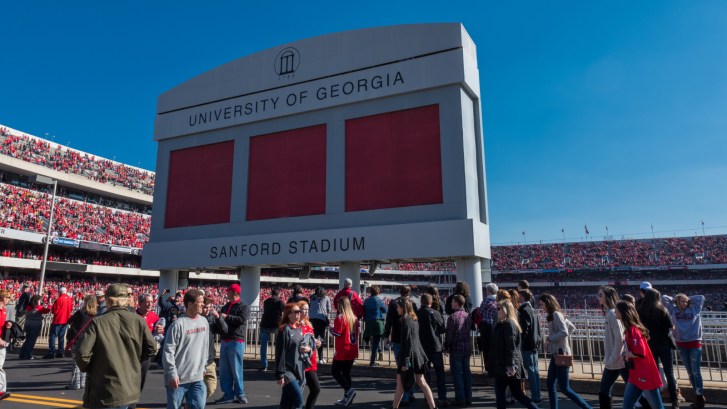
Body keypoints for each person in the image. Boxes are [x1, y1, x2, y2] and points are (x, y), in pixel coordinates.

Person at [75, 283, 157, 409]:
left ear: (108, 300)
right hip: (128, 387)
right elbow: (152, 348)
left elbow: (82, 354)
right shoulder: (138, 320)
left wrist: (92, 368)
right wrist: (134, 363)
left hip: (104, 388)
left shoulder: (98, 322)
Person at [539, 293, 592, 409]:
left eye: (542, 304)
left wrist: (550, 339)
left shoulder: (556, 315)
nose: (541, 307)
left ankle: (588, 407)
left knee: (564, 388)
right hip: (557, 354)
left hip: (561, 354)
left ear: (548, 303)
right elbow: (571, 328)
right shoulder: (556, 315)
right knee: (550, 383)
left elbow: (565, 332)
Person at [163, 289, 209, 409]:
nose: (203, 304)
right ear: (189, 304)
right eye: (200, 302)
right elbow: (168, 351)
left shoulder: (204, 322)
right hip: (179, 379)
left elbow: (205, 346)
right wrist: (172, 374)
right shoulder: (178, 324)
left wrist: (204, 365)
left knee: (199, 405)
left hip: (197, 377)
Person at [490, 300, 539, 409]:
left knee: (502, 395)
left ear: (505, 310)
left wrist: (510, 365)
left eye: (499, 309)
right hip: (506, 364)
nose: (497, 311)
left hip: (506, 365)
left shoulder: (508, 324)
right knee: (517, 394)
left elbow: (511, 345)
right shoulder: (505, 324)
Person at [616, 300, 665, 409]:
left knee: (657, 406)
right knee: (627, 406)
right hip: (635, 373)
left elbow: (640, 352)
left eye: (616, 310)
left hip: (645, 373)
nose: (615, 312)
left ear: (622, 313)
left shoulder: (634, 330)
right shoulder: (629, 330)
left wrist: (626, 354)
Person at [390, 298, 437, 409]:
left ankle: (394, 407)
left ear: (403, 307)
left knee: (400, 385)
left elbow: (407, 342)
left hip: (408, 357)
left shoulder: (405, 321)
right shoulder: (414, 319)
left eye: (398, 307)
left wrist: (406, 362)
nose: (397, 309)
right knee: (422, 382)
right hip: (418, 355)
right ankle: (433, 407)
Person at [637, 289, 679, 409]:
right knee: (669, 373)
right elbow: (671, 327)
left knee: (653, 374)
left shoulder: (640, 311)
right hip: (664, 344)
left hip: (650, 345)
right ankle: (674, 401)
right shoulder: (662, 310)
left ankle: (656, 400)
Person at [662, 292, 705, 408]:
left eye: (686, 301)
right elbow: (664, 298)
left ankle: (700, 396)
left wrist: (686, 298)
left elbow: (701, 297)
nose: (685, 303)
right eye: (682, 301)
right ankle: (697, 395)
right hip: (681, 344)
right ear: (677, 302)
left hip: (694, 343)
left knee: (696, 372)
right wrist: (676, 299)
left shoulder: (694, 309)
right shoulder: (673, 309)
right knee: (690, 372)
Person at [216, 283, 250, 405]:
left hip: (236, 340)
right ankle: (228, 394)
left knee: (236, 370)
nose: (227, 293)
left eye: (229, 291)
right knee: (224, 371)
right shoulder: (225, 306)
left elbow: (242, 320)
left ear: (235, 293)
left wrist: (226, 317)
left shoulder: (243, 306)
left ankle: (240, 394)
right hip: (226, 340)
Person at [384, 285, 418, 405]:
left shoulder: (394, 303)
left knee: (402, 367)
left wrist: (386, 335)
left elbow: (389, 321)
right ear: (409, 292)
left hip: (397, 338)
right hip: (410, 340)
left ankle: (406, 395)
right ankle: (410, 392)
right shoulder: (412, 303)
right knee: (408, 366)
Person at [597, 286, 626, 409]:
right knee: (604, 390)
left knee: (634, 390)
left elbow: (619, 338)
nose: (598, 298)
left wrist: (611, 359)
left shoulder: (612, 314)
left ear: (608, 297)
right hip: (617, 360)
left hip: (618, 360)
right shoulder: (611, 313)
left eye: (600, 295)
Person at [275, 302, 308, 409]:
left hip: (297, 368)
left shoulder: (298, 329)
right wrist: (280, 374)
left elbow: (303, 345)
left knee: (286, 400)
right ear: (289, 314)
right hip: (287, 371)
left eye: (299, 311)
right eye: (297, 312)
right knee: (298, 399)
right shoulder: (284, 330)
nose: (299, 314)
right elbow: (280, 352)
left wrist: (308, 348)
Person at [417, 293, 447, 407]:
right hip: (436, 347)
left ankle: (427, 397)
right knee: (440, 373)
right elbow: (442, 329)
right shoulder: (436, 313)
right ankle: (442, 397)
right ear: (431, 302)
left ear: (421, 301)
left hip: (422, 347)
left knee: (426, 374)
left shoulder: (417, 313)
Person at [135, 293, 164, 408]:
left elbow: (160, 332)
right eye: (147, 302)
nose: (150, 304)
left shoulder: (154, 316)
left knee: (141, 378)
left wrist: (161, 329)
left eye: (152, 302)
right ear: (140, 303)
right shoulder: (133, 315)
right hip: (133, 352)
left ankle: (134, 399)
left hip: (146, 353)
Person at [444, 295, 473, 406]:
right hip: (466, 347)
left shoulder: (453, 317)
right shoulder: (467, 315)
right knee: (466, 372)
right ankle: (468, 397)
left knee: (457, 374)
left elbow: (449, 335)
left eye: (452, 302)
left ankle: (460, 398)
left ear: (456, 303)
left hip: (456, 348)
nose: (451, 304)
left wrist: (446, 347)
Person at [330, 296, 359, 406]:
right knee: (346, 373)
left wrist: (330, 329)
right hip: (352, 348)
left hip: (343, 348)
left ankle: (348, 390)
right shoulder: (354, 317)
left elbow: (337, 333)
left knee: (335, 371)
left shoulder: (340, 317)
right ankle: (347, 398)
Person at [66, 295, 97, 390]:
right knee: (84, 362)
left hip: (78, 339)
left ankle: (75, 383)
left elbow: (69, 320)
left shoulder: (80, 313)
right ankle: (82, 382)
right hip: (88, 341)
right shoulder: (95, 315)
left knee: (76, 363)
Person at [518, 289, 541, 403]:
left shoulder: (523, 310)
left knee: (530, 370)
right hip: (535, 343)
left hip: (527, 345)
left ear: (522, 297)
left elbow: (524, 329)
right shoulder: (533, 310)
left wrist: (520, 343)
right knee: (535, 371)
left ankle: (535, 396)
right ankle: (537, 395)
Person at [203, 296, 228, 400]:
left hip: (209, 359)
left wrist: (218, 318)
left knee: (211, 386)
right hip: (196, 360)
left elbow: (224, 330)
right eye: (205, 307)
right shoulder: (192, 319)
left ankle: (194, 402)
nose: (207, 310)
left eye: (209, 307)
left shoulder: (211, 318)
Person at [299, 300, 323, 409]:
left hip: (311, 361)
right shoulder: (296, 325)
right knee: (298, 391)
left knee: (316, 389)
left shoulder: (309, 323)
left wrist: (316, 343)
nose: (307, 312)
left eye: (308, 309)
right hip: (301, 362)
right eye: (304, 309)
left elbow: (311, 339)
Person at [260, 288, 285, 371]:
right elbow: (285, 311)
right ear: (278, 294)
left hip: (265, 324)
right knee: (278, 345)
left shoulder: (266, 302)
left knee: (263, 346)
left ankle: (264, 365)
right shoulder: (280, 302)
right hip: (275, 325)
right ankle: (278, 365)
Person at [18, 294, 50, 360]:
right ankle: (27, 355)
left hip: (28, 324)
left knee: (27, 340)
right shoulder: (39, 307)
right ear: (37, 300)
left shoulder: (28, 307)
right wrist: (49, 305)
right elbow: (47, 310)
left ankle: (22, 354)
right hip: (35, 325)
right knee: (31, 341)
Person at [45, 286, 73, 359]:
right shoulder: (70, 300)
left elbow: (54, 311)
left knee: (53, 336)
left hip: (58, 320)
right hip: (66, 320)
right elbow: (71, 309)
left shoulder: (59, 299)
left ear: (60, 292)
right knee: (61, 337)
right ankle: (61, 352)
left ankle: (52, 352)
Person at [477, 282, 499, 374]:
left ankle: (488, 368)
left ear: (489, 291)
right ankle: (496, 366)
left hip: (486, 326)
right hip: (496, 326)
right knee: (495, 347)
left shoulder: (486, 301)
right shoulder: (498, 300)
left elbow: (480, 313)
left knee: (486, 348)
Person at [363, 285, 386, 367]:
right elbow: (385, 310)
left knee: (373, 340)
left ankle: (378, 352)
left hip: (368, 323)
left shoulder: (366, 301)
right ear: (378, 292)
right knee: (376, 341)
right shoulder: (378, 300)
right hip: (377, 322)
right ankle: (372, 361)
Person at [309, 286, 331, 364]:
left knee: (312, 338)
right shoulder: (326, 298)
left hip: (311, 319)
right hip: (321, 319)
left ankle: (311, 357)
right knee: (320, 338)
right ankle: (321, 358)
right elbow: (329, 310)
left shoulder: (311, 297)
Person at [0, 289, 13, 401]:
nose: (9, 299)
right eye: (8, 297)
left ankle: (2, 390)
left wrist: (6, 326)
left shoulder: (3, 310)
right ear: (3, 298)